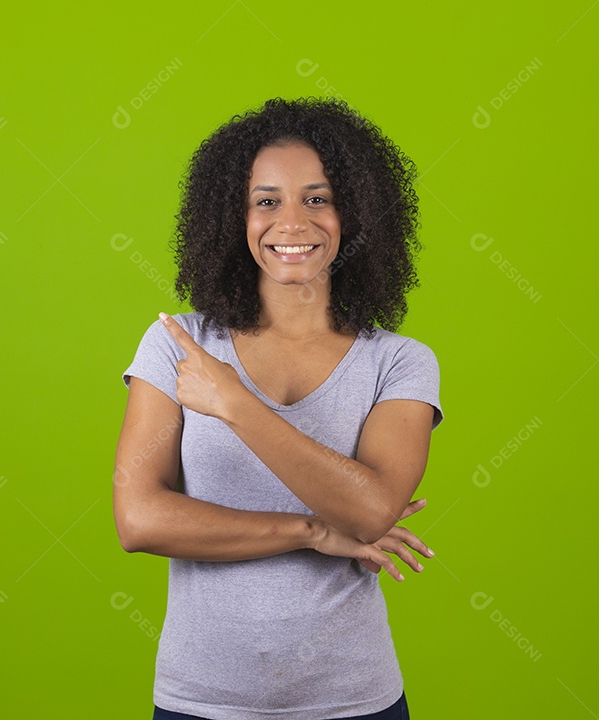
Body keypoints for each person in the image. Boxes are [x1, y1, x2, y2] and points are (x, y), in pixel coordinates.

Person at [113, 96, 444, 720]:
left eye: (317, 199)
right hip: (200, 701)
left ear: (355, 214)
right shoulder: (178, 344)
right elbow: (140, 520)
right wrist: (311, 531)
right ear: (232, 219)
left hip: (354, 701)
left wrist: (234, 403)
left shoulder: (400, 362)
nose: (292, 223)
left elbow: (372, 511)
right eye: (266, 201)